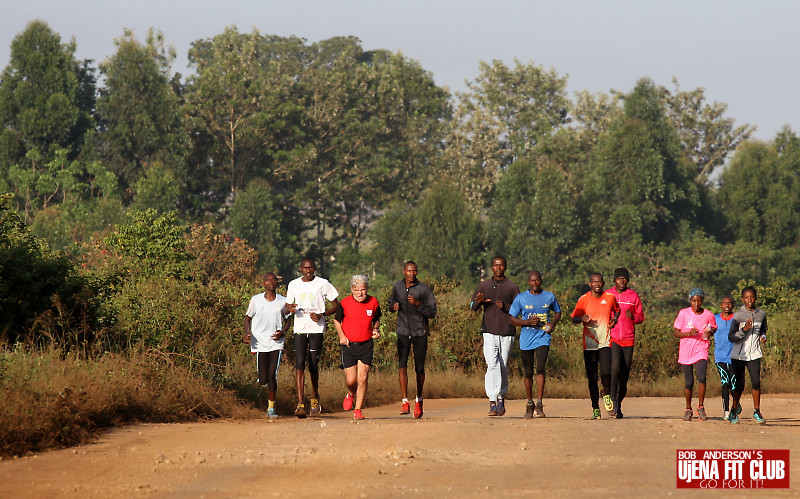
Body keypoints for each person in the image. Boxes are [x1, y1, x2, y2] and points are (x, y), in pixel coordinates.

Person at [284, 258, 339, 418]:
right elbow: (288, 306)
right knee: (300, 364)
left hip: (316, 329)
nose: (308, 271)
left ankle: (314, 398)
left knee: (313, 365)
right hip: (300, 329)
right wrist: (291, 308)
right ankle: (300, 404)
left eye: (311, 268)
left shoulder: (323, 283)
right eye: (305, 268)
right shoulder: (293, 284)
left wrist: (322, 314)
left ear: (314, 268)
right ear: (300, 269)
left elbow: (336, 305)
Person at [470, 256, 520, 417]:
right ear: (492, 267)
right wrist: (479, 301)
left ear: (505, 267)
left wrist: (505, 306)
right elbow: (472, 306)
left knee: (503, 366)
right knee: (492, 365)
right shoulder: (484, 285)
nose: (498, 268)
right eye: (496, 265)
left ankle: (501, 398)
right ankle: (492, 401)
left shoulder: (511, 286)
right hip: (489, 331)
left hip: (506, 332)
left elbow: (519, 309)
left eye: (501, 265)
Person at [508, 270, 561, 418]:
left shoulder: (549, 296)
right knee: (528, 371)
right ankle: (529, 403)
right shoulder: (521, 298)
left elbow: (558, 312)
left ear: (541, 281)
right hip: (526, 339)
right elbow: (511, 319)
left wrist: (552, 324)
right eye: (532, 281)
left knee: (541, 368)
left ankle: (539, 403)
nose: (534, 283)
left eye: (537, 280)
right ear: (528, 282)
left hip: (543, 336)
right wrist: (526, 322)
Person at [388, 261, 437, 419]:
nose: (412, 274)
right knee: (402, 365)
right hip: (403, 331)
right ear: (404, 272)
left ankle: (419, 399)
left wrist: (418, 304)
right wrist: (393, 307)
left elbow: (432, 312)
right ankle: (404, 401)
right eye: (409, 271)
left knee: (419, 369)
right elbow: (390, 303)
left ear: (417, 272)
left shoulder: (424, 289)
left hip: (420, 332)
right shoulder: (397, 287)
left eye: (414, 271)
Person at [570, 273, 620, 419]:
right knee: (592, 377)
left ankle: (605, 393)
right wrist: (581, 319)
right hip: (589, 344)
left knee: (606, 373)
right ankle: (595, 408)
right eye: (594, 282)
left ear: (603, 283)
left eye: (599, 282)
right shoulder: (584, 299)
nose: (597, 284)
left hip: (605, 342)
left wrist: (614, 320)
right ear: (590, 284)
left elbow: (617, 310)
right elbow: (573, 318)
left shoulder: (610, 297)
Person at [333, 275, 382, 420]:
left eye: (363, 290)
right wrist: (342, 336)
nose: (360, 293)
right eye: (356, 290)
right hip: (349, 345)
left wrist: (375, 329)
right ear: (352, 290)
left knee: (363, 377)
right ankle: (350, 393)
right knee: (351, 380)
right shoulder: (345, 303)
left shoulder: (373, 302)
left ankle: (358, 410)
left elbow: (377, 318)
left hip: (366, 344)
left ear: (367, 289)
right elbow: (337, 320)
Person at [244, 272, 289, 420]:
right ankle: (260, 384)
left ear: (277, 283)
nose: (271, 282)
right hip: (260, 342)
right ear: (263, 283)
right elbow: (247, 319)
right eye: (268, 280)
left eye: (273, 280)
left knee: (272, 375)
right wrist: (247, 333)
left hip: (276, 343)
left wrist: (282, 332)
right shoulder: (256, 300)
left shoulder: (283, 301)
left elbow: (288, 320)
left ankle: (271, 408)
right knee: (263, 379)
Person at [605, 267, 644, 419]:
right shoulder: (608, 294)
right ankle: (613, 399)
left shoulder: (633, 296)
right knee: (614, 369)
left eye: (624, 279)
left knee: (624, 374)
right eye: (619, 278)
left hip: (628, 339)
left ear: (628, 280)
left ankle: (618, 404)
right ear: (614, 280)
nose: (622, 281)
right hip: (613, 338)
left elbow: (641, 317)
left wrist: (633, 316)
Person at [672, 288, 716, 422]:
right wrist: (688, 334)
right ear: (690, 301)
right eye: (694, 301)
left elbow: (713, 328)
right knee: (689, 381)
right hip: (686, 351)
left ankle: (701, 406)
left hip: (701, 349)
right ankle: (688, 408)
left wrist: (710, 333)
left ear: (702, 301)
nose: (696, 304)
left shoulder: (708, 314)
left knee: (702, 378)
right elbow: (675, 332)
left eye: (699, 301)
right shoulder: (683, 313)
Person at [728, 286, 768, 425]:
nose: (749, 300)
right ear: (742, 299)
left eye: (752, 297)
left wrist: (763, 336)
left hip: (755, 353)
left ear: (755, 298)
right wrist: (744, 330)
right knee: (739, 385)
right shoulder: (738, 316)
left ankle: (757, 411)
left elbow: (763, 330)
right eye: (746, 297)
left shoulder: (761, 314)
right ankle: (734, 410)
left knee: (756, 382)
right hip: (739, 355)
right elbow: (731, 337)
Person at [713, 296, 735, 421]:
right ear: (720, 305)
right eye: (724, 303)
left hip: (734, 357)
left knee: (734, 385)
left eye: (729, 303)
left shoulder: (737, 319)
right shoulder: (715, 319)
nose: (727, 305)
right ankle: (726, 411)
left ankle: (735, 406)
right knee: (725, 383)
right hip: (720, 356)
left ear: (732, 305)